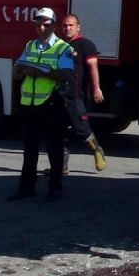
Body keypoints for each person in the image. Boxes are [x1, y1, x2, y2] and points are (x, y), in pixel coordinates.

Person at [8, 7, 74, 201]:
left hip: (51, 103)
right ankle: (26, 188)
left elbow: (65, 74)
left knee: (54, 148)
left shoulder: (63, 48)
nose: (41, 27)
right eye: (38, 23)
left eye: (45, 23)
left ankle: (55, 188)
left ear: (54, 25)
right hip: (29, 103)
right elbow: (18, 68)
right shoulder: (30, 46)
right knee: (29, 149)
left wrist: (40, 73)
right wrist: (18, 72)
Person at [59, 13, 107, 172]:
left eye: (71, 25)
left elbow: (93, 67)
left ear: (78, 27)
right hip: (59, 96)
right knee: (59, 132)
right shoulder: (58, 45)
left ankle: (97, 150)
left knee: (82, 129)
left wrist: (96, 88)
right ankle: (61, 166)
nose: (67, 28)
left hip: (76, 95)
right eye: (65, 25)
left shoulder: (85, 44)